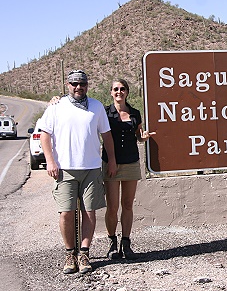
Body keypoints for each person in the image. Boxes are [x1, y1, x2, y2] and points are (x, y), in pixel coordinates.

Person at [39, 70, 117, 274]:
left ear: (87, 85)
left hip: (91, 168)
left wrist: (112, 161)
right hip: (64, 168)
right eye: (74, 83)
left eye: (82, 83)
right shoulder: (56, 107)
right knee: (66, 212)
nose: (78, 87)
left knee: (89, 212)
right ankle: (69, 254)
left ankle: (84, 253)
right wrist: (50, 161)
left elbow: (107, 136)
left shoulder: (96, 107)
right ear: (68, 84)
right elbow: (44, 135)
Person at [102, 78, 155, 260]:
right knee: (112, 207)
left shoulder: (135, 113)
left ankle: (126, 242)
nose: (119, 92)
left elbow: (138, 135)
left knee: (128, 204)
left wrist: (144, 136)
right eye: (116, 89)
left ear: (127, 92)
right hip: (111, 163)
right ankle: (112, 243)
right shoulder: (105, 113)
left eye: (122, 89)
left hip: (131, 162)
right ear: (111, 92)